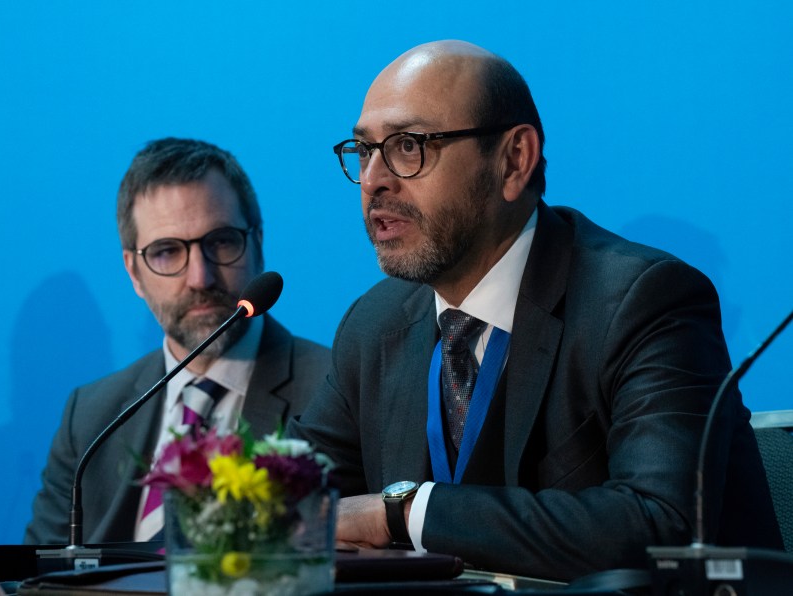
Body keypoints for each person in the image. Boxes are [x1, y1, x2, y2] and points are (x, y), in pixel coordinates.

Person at [287, 41, 782, 581]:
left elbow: (661, 525)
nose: (376, 180)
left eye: (409, 146)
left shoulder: (643, 300)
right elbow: (291, 497)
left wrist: (402, 513)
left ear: (514, 159)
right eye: (364, 151)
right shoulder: (375, 322)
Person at [26, 138, 330, 545]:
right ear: (134, 272)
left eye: (221, 242)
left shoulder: (333, 389)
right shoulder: (90, 416)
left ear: (257, 244)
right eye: (167, 252)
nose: (200, 278)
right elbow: (37, 574)